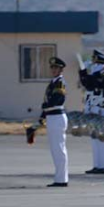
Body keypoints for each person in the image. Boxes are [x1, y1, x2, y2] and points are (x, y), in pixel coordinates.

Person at [41, 57, 69, 187]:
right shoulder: (53, 82)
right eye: (52, 68)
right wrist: (43, 115)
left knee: (59, 148)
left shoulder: (60, 82)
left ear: (60, 69)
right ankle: (59, 177)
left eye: (56, 68)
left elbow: (58, 99)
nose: (53, 70)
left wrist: (46, 106)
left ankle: (62, 179)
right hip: (52, 116)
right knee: (55, 148)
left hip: (57, 116)